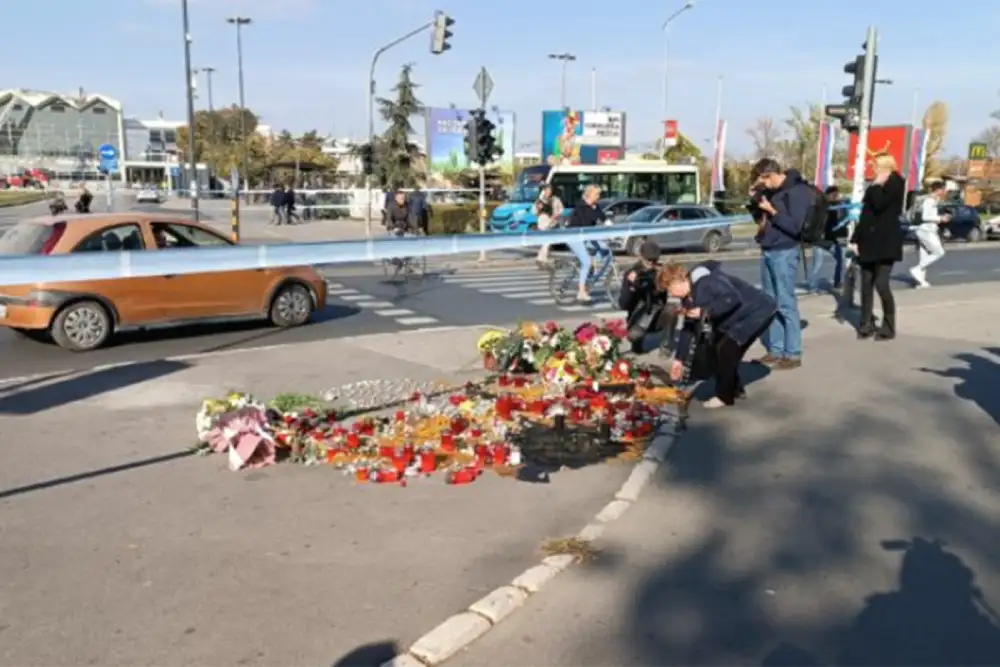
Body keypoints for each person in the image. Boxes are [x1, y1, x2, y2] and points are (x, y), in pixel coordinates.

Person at [658, 260, 777, 408]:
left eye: (669, 289)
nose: (670, 294)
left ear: (677, 282)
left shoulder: (706, 282)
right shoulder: (688, 297)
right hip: (737, 317)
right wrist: (679, 359)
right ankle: (735, 389)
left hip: (757, 311)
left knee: (726, 350)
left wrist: (704, 312)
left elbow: (731, 299)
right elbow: (688, 329)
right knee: (718, 349)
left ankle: (725, 396)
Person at [749, 158, 810, 370]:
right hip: (768, 248)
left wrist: (773, 210)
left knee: (785, 302)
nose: (764, 186)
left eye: (764, 181)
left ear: (771, 174)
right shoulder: (772, 191)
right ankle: (775, 349)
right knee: (770, 302)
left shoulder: (797, 191)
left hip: (785, 250)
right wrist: (755, 200)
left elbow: (796, 227)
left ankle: (792, 353)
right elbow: (759, 218)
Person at [850, 153, 905, 340]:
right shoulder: (874, 185)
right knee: (866, 284)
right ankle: (865, 323)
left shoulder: (896, 182)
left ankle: (889, 327)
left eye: (875, 165)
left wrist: (875, 186)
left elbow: (881, 204)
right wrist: (855, 239)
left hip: (886, 242)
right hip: (868, 241)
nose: (872, 169)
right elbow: (866, 214)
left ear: (884, 165)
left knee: (881, 284)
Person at [619, 240, 668, 354]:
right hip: (638, 317)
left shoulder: (660, 272)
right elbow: (623, 304)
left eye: (654, 260)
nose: (651, 263)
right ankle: (637, 343)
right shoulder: (633, 273)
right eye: (648, 260)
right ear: (641, 257)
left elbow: (664, 300)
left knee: (672, 310)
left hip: (656, 312)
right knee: (635, 340)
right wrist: (632, 288)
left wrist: (661, 283)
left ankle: (665, 341)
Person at [564, 184, 608, 303]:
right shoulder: (581, 206)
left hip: (586, 235)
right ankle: (581, 292)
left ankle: (592, 270)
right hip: (573, 236)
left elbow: (602, 217)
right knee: (586, 262)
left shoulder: (594, 206)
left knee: (605, 249)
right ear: (590, 195)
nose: (599, 197)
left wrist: (610, 225)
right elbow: (586, 221)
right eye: (597, 194)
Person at [805, 185, 848, 293]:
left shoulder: (841, 206)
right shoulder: (822, 207)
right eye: (834, 194)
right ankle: (813, 287)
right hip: (821, 239)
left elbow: (844, 222)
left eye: (837, 194)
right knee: (818, 264)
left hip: (835, 238)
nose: (836, 196)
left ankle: (837, 282)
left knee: (840, 260)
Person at [909, 179, 950, 288]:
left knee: (925, 256)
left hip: (925, 230)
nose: (944, 192)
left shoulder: (932, 200)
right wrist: (940, 218)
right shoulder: (930, 201)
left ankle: (921, 281)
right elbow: (925, 217)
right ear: (938, 190)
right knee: (939, 252)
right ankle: (917, 269)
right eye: (943, 189)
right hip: (926, 230)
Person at [534, 183, 564, 266]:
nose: (548, 192)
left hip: (552, 221)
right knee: (547, 240)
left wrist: (556, 215)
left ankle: (541, 258)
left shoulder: (555, 199)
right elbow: (535, 212)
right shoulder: (540, 200)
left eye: (549, 190)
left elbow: (561, 209)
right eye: (546, 190)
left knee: (547, 241)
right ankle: (541, 259)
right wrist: (538, 209)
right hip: (543, 221)